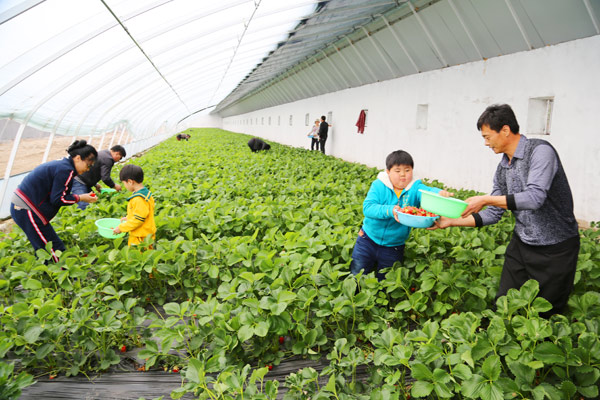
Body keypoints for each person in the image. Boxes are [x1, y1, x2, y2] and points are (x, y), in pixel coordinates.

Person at [432, 104, 580, 317]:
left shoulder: (540, 152)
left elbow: (534, 198)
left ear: (505, 130)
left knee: (546, 314)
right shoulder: (503, 167)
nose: (486, 143)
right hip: (522, 244)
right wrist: (451, 221)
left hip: (556, 247)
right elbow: (493, 213)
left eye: (487, 137)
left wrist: (485, 199)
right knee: (504, 304)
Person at [350, 150, 453, 280]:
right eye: (397, 171)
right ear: (388, 172)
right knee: (357, 273)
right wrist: (390, 210)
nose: (403, 174)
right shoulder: (379, 185)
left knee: (387, 279)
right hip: (367, 239)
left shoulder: (415, 188)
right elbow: (368, 208)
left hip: (394, 245)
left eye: (407, 170)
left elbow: (428, 192)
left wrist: (439, 193)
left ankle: (381, 293)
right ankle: (356, 290)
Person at [10, 140, 98, 262]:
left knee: (49, 245)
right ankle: (60, 271)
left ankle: (48, 270)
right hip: (26, 209)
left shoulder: (64, 166)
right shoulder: (66, 170)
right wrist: (81, 197)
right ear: (78, 158)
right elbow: (58, 199)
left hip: (28, 207)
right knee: (51, 249)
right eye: (88, 165)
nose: (88, 169)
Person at [113, 164, 156, 247]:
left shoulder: (138, 199)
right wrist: (129, 218)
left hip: (140, 237)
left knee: (137, 254)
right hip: (146, 234)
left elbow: (138, 219)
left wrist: (121, 228)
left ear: (130, 182)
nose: (124, 186)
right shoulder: (146, 193)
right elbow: (143, 213)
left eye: (124, 183)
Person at [72, 145, 126, 210]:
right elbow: (105, 178)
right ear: (117, 154)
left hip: (83, 181)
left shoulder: (103, 153)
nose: (119, 160)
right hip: (79, 182)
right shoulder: (108, 159)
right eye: (120, 158)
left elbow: (93, 170)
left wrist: (95, 184)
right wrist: (114, 186)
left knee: (93, 200)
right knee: (83, 205)